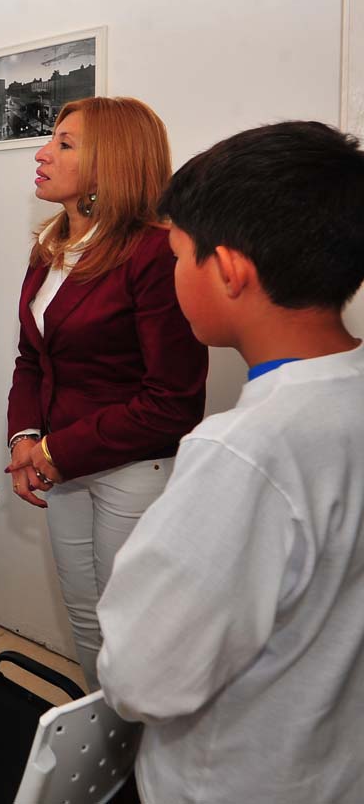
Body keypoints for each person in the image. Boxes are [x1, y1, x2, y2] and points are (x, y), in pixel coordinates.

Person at [96, 121, 364, 803]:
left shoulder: (244, 450)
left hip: (231, 781)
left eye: (180, 256)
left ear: (230, 270)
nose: (173, 272)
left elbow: (141, 678)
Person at [4, 97, 207, 690]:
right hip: (59, 464)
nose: (43, 153)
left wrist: (53, 453)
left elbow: (172, 400)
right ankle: (106, 744)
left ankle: (144, 760)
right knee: (87, 620)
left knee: (136, 630)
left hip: (131, 468)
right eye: (51, 139)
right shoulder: (50, 248)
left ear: (112, 164)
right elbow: (30, 360)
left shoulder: (154, 253)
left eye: (65, 144)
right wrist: (25, 437)